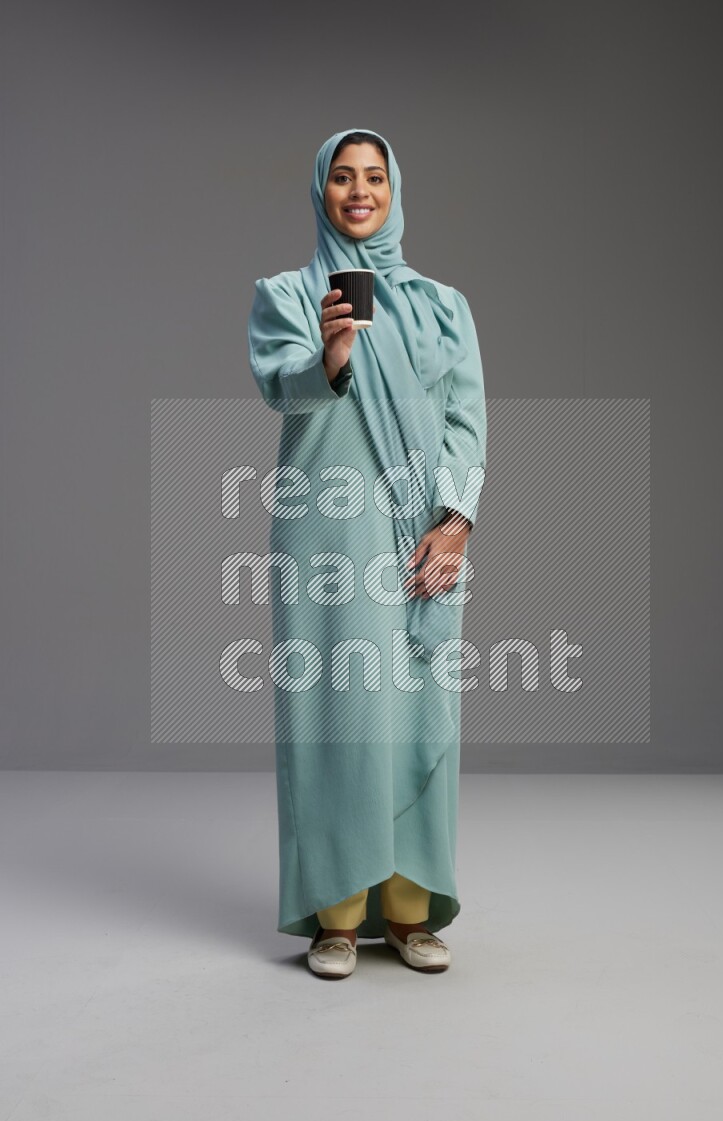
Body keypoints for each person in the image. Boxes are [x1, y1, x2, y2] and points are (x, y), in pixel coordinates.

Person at [247, 128, 487, 978]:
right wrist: (332, 354)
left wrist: (457, 520)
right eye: (342, 178)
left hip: (421, 529)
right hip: (327, 531)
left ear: (393, 188)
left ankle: (410, 907)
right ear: (321, 191)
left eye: (374, 177)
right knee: (336, 716)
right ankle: (338, 916)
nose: (359, 191)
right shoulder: (287, 294)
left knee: (419, 706)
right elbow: (281, 385)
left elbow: (466, 420)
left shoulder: (440, 305)